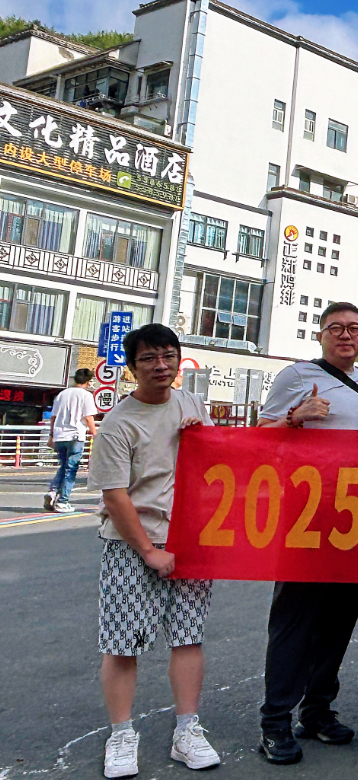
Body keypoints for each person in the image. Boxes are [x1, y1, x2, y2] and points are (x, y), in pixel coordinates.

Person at [256, 304, 358, 765]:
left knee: (338, 621)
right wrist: (295, 417)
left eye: (354, 329)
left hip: (355, 519)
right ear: (321, 334)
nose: (345, 335)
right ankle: (275, 721)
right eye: (336, 328)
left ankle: (316, 710)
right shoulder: (296, 376)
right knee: (295, 622)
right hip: (305, 519)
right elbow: (259, 437)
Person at [92, 324, 219, 779]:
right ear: (132, 367)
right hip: (131, 544)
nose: (160, 366)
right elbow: (114, 496)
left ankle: (187, 730)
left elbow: (216, 461)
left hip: (188, 540)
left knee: (188, 636)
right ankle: (122, 734)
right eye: (148, 358)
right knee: (122, 642)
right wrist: (148, 551)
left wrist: (201, 436)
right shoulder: (118, 423)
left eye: (168, 356)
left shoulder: (191, 404)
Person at [45, 367, 97, 513]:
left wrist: (51, 436)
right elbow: (88, 417)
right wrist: (95, 434)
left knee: (63, 466)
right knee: (71, 469)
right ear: (88, 381)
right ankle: (63, 501)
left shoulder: (62, 394)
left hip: (60, 435)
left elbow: (53, 417)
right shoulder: (86, 396)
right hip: (75, 436)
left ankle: (53, 491)